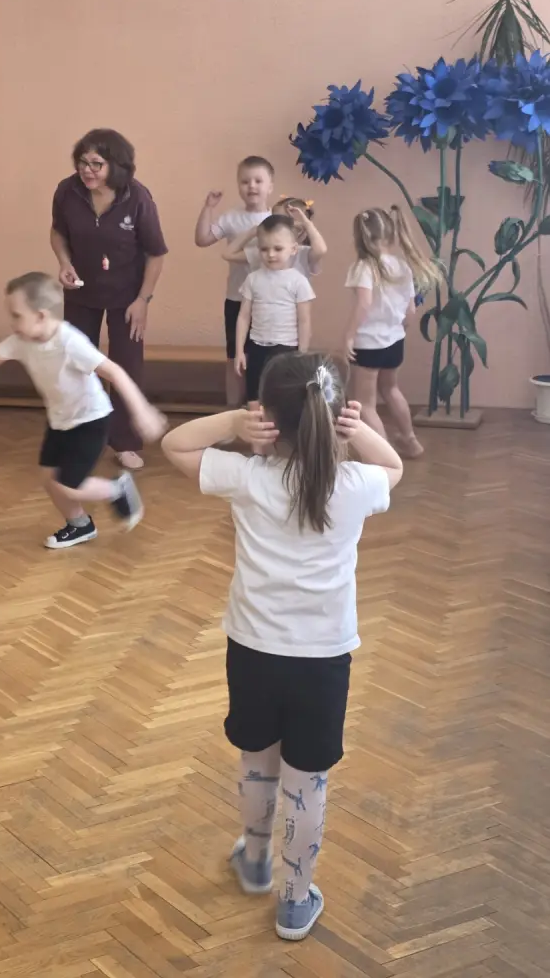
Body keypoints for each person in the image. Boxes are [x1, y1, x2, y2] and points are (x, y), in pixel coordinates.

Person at [161, 352, 402, 941]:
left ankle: (255, 859)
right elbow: (393, 466)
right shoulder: (355, 484)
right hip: (323, 661)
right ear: (334, 417)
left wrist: (232, 423)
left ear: (267, 416)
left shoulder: (248, 477)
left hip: (253, 650)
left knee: (257, 762)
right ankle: (295, 900)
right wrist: (358, 430)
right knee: (307, 780)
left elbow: (174, 445)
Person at [0, 272, 167, 549]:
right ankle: (80, 525)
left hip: (90, 421)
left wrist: (141, 410)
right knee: (49, 478)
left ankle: (117, 490)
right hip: (59, 420)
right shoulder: (22, 340)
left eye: (16, 315)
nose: (12, 323)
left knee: (68, 484)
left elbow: (114, 372)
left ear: (41, 316)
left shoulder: (69, 342)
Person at [50, 129, 167, 471]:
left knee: (126, 366)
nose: (87, 170)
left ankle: (125, 442)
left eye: (96, 164)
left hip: (128, 296)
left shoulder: (138, 197)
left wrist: (143, 300)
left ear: (116, 165)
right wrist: (64, 263)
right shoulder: (67, 191)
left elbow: (156, 253)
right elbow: (57, 232)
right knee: (76, 363)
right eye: (82, 162)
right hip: (81, 291)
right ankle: (79, 438)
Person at [342, 205, 440, 457]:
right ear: (392, 235)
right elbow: (411, 310)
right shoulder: (402, 266)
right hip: (394, 341)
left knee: (364, 404)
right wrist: (398, 329)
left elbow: (364, 303)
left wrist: (349, 336)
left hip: (369, 344)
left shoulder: (363, 267)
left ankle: (385, 456)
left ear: (359, 237)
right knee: (391, 390)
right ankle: (410, 440)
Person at [194, 157, 275, 407]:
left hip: (271, 302)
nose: (252, 186)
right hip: (237, 299)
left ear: (270, 186)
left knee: (266, 359)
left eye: (258, 181)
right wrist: (208, 207)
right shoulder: (231, 218)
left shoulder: (277, 218)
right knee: (235, 357)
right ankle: (231, 412)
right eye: (245, 181)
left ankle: (263, 412)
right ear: (238, 185)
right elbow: (202, 239)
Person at [235, 215, 315, 403]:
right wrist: (239, 351)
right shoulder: (253, 279)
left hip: (286, 349)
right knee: (254, 396)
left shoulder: (299, 281)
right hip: (256, 347)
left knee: (282, 399)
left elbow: (304, 321)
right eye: (264, 249)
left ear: (293, 249)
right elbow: (244, 317)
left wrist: (302, 354)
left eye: (278, 249)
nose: (270, 254)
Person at [222, 196, 327, 283]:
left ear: (299, 229)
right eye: (272, 218)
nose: (273, 224)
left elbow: (321, 250)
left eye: (279, 222)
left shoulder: (304, 255)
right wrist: (252, 232)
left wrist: (306, 223)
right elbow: (228, 254)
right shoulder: (266, 253)